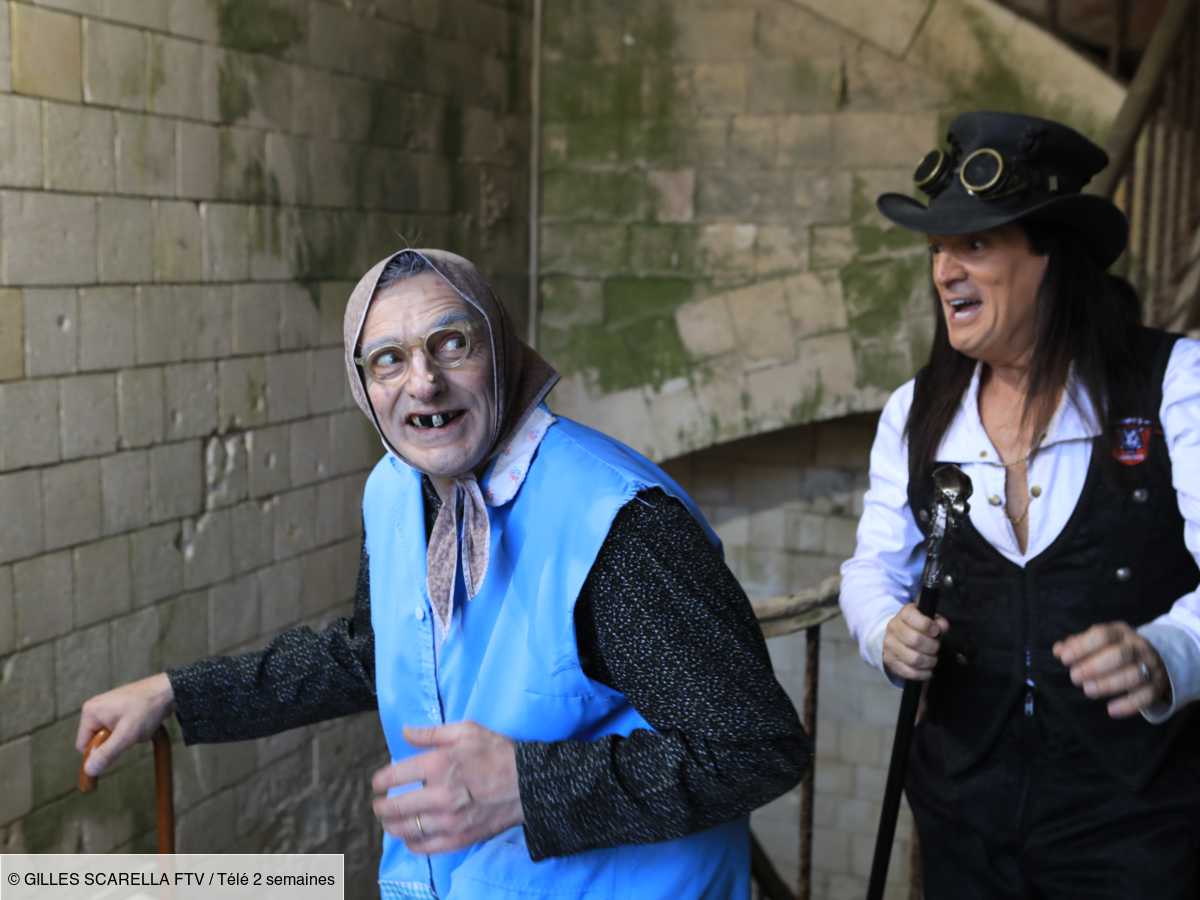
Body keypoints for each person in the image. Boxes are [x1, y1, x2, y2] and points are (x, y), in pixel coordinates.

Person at [78, 248, 808, 898]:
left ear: (500, 348)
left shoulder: (616, 523)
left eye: (451, 344)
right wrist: (178, 693)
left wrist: (530, 786)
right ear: (363, 385)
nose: (423, 382)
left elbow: (754, 749)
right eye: (388, 359)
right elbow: (377, 654)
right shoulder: (396, 490)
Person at [839, 111, 1200, 898]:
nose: (944, 272)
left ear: (1052, 257)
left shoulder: (1173, 383)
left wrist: (1168, 650)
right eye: (938, 249)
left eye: (975, 245)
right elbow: (871, 570)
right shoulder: (919, 409)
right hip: (966, 821)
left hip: (1137, 826)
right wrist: (884, 632)